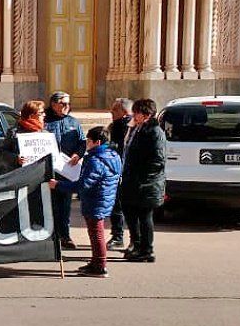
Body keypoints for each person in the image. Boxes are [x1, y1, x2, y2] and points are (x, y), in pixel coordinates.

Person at [49, 126, 121, 277]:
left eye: (89, 140)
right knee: (95, 232)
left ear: (97, 142)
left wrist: (58, 185)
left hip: (95, 199)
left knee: (96, 233)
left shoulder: (96, 160)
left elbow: (83, 185)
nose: (87, 143)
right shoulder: (113, 155)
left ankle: (100, 266)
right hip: (103, 197)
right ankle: (95, 262)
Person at [120, 98, 166, 263]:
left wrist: (142, 179)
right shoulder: (136, 128)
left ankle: (146, 250)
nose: (134, 115)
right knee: (130, 214)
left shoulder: (154, 132)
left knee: (144, 216)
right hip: (132, 181)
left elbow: (157, 160)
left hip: (146, 184)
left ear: (146, 114)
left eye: (137, 113)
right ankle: (137, 245)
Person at [44, 91, 86, 250]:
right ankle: (50, 237)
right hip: (49, 170)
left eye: (68, 103)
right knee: (50, 204)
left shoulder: (73, 122)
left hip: (67, 171)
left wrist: (77, 154)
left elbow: (82, 142)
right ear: (53, 104)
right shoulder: (45, 121)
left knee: (65, 205)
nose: (67, 106)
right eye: (63, 103)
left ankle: (65, 236)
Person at [106, 97, 133, 251]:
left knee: (122, 207)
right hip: (117, 170)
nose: (111, 111)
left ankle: (121, 237)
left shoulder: (129, 127)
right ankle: (118, 236)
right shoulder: (115, 126)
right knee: (117, 206)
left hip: (124, 172)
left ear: (124, 111)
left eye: (115, 109)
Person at [5, 100, 47, 166]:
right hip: (22, 171)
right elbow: (3, 153)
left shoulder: (45, 133)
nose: (44, 115)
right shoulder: (14, 133)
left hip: (41, 170)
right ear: (31, 115)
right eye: (41, 113)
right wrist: (16, 159)